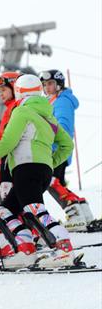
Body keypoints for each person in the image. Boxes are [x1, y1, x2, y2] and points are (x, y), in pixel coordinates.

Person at [0, 74, 75, 269]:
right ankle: (26, 250)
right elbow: (67, 145)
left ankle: (64, 248)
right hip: (40, 170)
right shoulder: (49, 117)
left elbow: (8, 142)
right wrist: (49, 161)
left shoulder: (21, 113)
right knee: (4, 212)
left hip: (26, 167)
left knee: (34, 209)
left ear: (19, 92)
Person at [40, 70, 95, 232]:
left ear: (59, 84)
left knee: (50, 181)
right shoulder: (53, 100)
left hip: (56, 150)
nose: (47, 88)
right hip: (54, 148)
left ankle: (75, 214)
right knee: (56, 182)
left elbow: (63, 126)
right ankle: (83, 213)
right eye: (44, 85)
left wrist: (47, 140)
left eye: (50, 84)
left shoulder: (62, 101)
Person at [0, 72, 21, 205]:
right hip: (9, 158)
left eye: (3, 90)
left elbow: (8, 135)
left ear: (14, 87)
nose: (0, 94)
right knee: (10, 200)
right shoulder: (11, 107)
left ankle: (15, 224)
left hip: (11, 158)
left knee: (7, 201)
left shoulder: (16, 107)